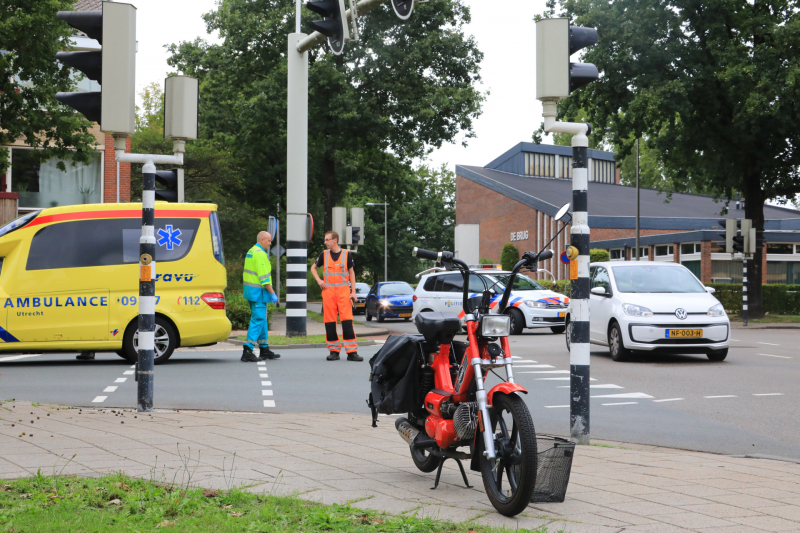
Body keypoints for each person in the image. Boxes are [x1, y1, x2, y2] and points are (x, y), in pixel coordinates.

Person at [311, 231, 362, 361]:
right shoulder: (324, 254)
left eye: (327, 239)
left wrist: (353, 292)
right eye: (325, 240)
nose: (325, 242)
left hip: (344, 292)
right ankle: (334, 351)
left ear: (335, 240)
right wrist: (319, 281)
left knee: (347, 321)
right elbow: (313, 268)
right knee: (329, 322)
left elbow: (352, 273)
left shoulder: (346, 254)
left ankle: (352, 352)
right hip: (328, 292)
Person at [242, 231, 279, 362]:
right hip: (259, 293)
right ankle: (248, 350)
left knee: (262, 320)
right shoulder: (260, 254)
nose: (270, 243)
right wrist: (272, 293)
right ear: (262, 240)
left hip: (251, 292)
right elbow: (264, 278)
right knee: (258, 319)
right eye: (268, 240)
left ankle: (264, 349)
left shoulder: (252, 251)